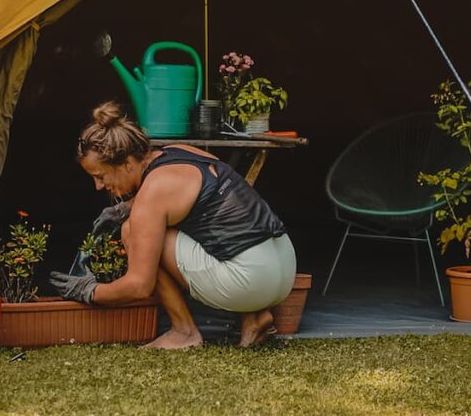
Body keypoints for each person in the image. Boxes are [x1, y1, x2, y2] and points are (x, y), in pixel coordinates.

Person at [49, 100, 296, 349]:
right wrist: (125, 207)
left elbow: (139, 286)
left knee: (132, 230)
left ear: (125, 163)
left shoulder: (153, 193)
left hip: (250, 281)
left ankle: (184, 332)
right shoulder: (180, 152)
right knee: (212, 228)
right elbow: (196, 202)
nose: (99, 187)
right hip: (284, 267)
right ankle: (255, 316)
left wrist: (89, 291)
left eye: (99, 176)